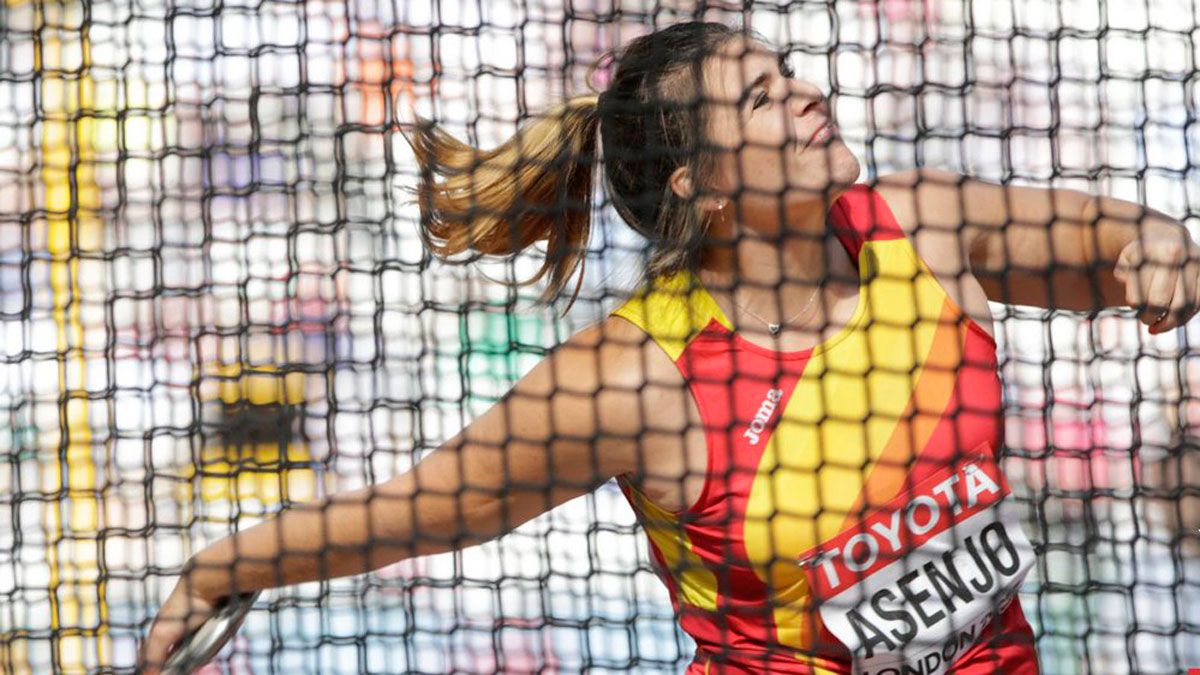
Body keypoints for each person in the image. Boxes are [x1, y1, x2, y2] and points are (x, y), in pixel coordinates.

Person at [139, 20, 1200, 674]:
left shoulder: (920, 227)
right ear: (705, 184)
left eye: (787, 75)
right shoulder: (635, 377)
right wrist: (225, 567)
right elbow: (430, 509)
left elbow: (1113, 240)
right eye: (762, 98)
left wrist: (1159, 250)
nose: (807, 96)